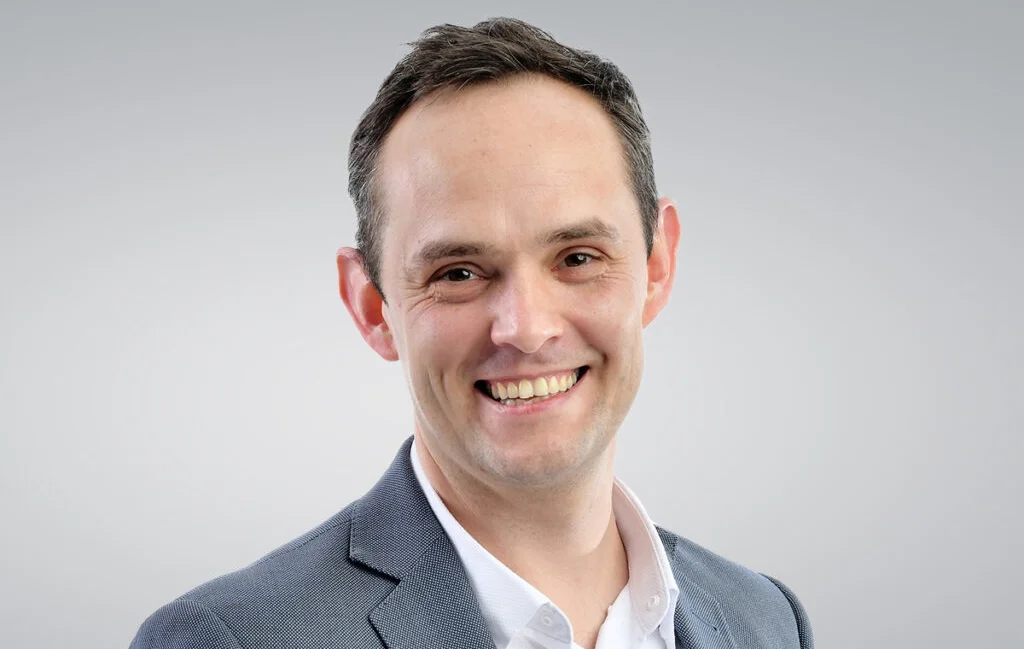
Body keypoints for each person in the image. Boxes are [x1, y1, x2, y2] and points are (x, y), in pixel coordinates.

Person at [131, 17, 813, 649]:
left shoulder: (764, 618)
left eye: (577, 258)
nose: (527, 329)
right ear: (372, 306)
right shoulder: (233, 638)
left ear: (657, 266)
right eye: (458, 273)